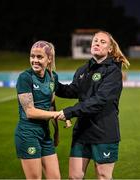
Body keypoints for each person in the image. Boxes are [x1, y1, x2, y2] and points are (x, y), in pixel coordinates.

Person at [55, 30, 130, 180]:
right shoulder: (83, 69)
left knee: (103, 176)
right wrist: (53, 83)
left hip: (104, 132)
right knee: (74, 176)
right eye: (95, 40)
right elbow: (72, 90)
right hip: (82, 132)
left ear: (110, 49)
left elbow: (99, 101)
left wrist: (69, 112)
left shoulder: (113, 71)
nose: (97, 43)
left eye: (103, 42)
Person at [14, 40, 61, 179]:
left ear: (49, 58)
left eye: (39, 57)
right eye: (32, 56)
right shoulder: (25, 78)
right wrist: (58, 115)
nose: (34, 60)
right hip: (27, 134)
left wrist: (56, 132)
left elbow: (51, 104)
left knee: (55, 177)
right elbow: (30, 112)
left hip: (45, 134)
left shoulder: (53, 77)